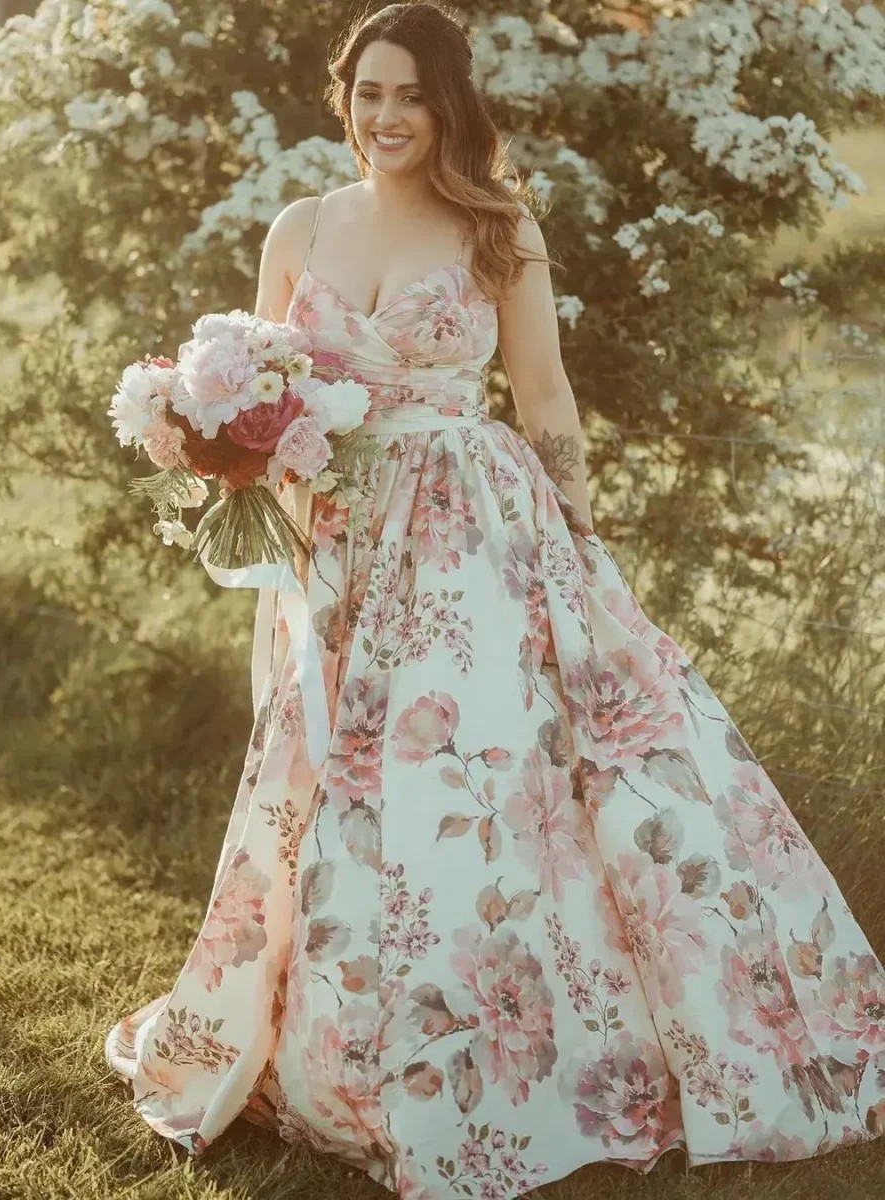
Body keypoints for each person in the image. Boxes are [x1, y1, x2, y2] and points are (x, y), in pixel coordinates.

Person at [105, 4, 885, 1197]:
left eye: (410, 94)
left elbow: (546, 398)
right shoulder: (302, 224)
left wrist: (579, 541)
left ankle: (511, 1051)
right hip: (341, 545)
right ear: (344, 96)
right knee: (335, 782)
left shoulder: (497, 228)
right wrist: (217, 441)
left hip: (475, 535)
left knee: (474, 775)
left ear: (451, 104)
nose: (386, 116)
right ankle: (338, 1040)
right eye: (368, 92)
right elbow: (264, 391)